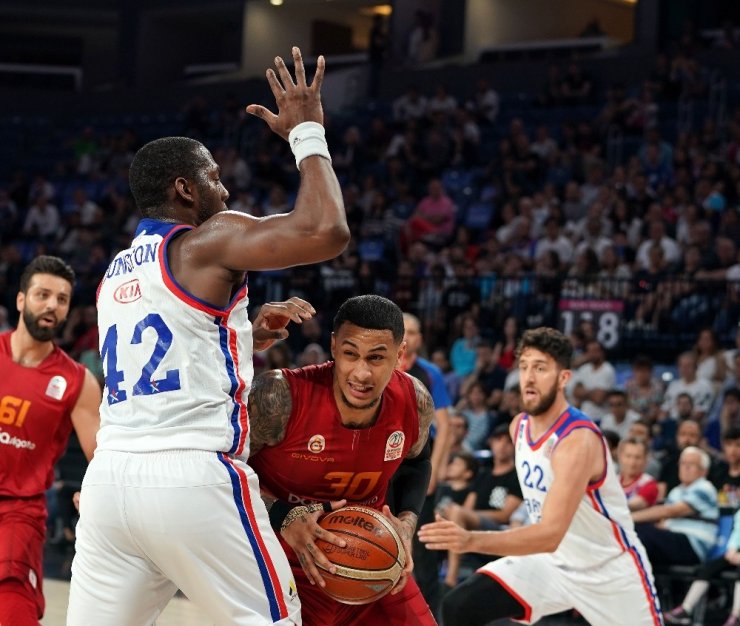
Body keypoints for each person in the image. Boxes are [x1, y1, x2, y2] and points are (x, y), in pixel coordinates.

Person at [67, 47, 350, 625]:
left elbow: (169, 355)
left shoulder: (117, 271)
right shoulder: (206, 239)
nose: (224, 192)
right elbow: (326, 230)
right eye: (214, 179)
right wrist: (308, 134)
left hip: (109, 484)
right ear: (185, 189)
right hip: (191, 477)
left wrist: (245, 337)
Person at [418, 327, 662, 626]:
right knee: (460, 606)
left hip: (608, 569)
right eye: (524, 367)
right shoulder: (518, 427)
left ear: (563, 379)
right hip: (553, 563)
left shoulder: (577, 440)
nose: (529, 377)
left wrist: (470, 539)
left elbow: (549, 534)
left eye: (541, 368)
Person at [248, 295, 437, 626]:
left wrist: (407, 521)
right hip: (277, 558)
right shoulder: (279, 397)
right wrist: (283, 515)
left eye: (377, 358)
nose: (361, 373)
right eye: (351, 354)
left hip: (369, 556)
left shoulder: (414, 400)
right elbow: (220, 470)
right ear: (334, 347)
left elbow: (416, 463)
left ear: (400, 355)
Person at [0, 255, 101, 626]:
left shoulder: (77, 381)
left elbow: (102, 457)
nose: (52, 306)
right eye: (43, 295)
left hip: (17, 513)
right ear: (22, 300)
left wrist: (95, 493)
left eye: (62, 300)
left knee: (12, 610)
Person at [396, 311, 451, 619]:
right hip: (384, 464)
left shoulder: (429, 373)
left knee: (426, 548)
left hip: (417, 465)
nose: (407, 336)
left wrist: (437, 469)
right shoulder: (382, 363)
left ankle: (431, 617)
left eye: (413, 332)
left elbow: (446, 426)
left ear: (420, 339)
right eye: (402, 331)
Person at [633, 446, 719, 568]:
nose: (686, 467)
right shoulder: (676, 491)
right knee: (636, 533)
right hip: (674, 539)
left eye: (691, 464)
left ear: (703, 471)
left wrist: (630, 518)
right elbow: (665, 521)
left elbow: (670, 511)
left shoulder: (705, 487)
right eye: (683, 463)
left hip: (693, 544)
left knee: (638, 532)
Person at [664, 507, 740, 625]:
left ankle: (736, 616)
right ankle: (686, 609)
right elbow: (736, 532)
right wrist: (732, 550)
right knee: (706, 569)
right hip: (735, 553)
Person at [618, 437, 659, 511]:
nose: (632, 462)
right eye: (628, 456)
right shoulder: (613, 480)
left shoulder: (649, 484)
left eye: (638, 457)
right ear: (620, 457)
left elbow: (630, 506)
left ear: (646, 460)